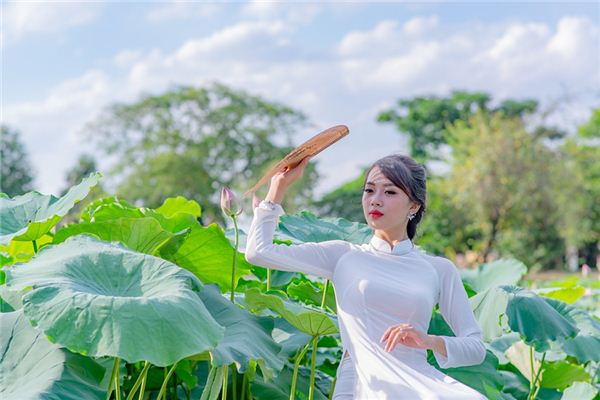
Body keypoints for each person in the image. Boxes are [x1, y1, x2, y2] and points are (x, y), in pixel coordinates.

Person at [245, 153, 487, 399]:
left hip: (417, 384)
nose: (375, 201)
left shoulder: (438, 269)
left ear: (414, 205)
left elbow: (476, 347)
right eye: (369, 191)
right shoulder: (343, 256)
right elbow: (259, 252)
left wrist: (430, 341)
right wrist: (277, 189)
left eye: (390, 192)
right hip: (361, 383)